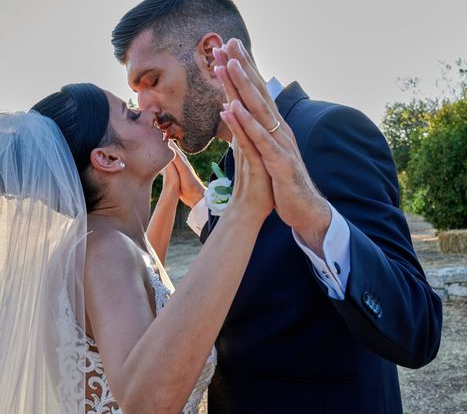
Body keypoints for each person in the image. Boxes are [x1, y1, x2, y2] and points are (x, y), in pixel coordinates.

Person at [112, 0, 443, 413]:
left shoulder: (326, 131)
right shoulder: (234, 165)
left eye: (151, 80)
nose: (146, 106)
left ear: (211, 56)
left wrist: (315, 218)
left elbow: (418, 329)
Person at [0, 82, 272, 413]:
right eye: (131, 114)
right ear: (108, 158)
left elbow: (145, 290)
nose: (150, 112)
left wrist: (172, 191)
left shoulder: (108, 243)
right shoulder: (105, 252)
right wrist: (247, 207)